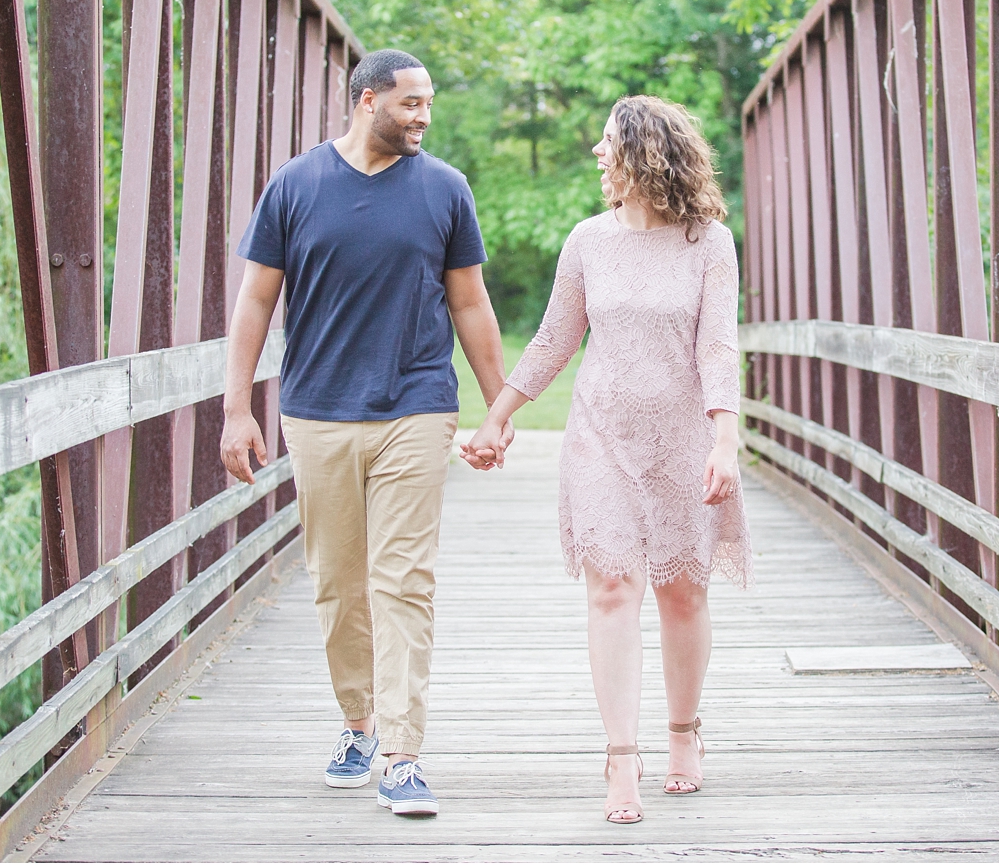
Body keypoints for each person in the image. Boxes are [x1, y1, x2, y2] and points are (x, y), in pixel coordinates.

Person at [219, 48, 511, 818]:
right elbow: (254, 302)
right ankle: (359, 723)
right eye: (410, 103)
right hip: (315, 409)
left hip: (416, 405)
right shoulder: (296, 185)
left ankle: (404, 755)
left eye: (429, 104)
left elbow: (472, 305)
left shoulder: (445, 190)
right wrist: (236, 407)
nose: (423, 116)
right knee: (338, 583)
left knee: (403, 579)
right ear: (366, 100)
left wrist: (496, 408)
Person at [462, 94, 750, 825]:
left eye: (605, 142)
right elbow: (555, 339)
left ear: (643, 151)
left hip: (684, 437)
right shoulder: (587, 240)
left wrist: (725, 437)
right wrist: (497, 417)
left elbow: (718, 344)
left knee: (682, 591)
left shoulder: (708, 242)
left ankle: (684, 732)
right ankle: (622, 755)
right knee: (613, 587)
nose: (596, 154)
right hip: (600, 436)